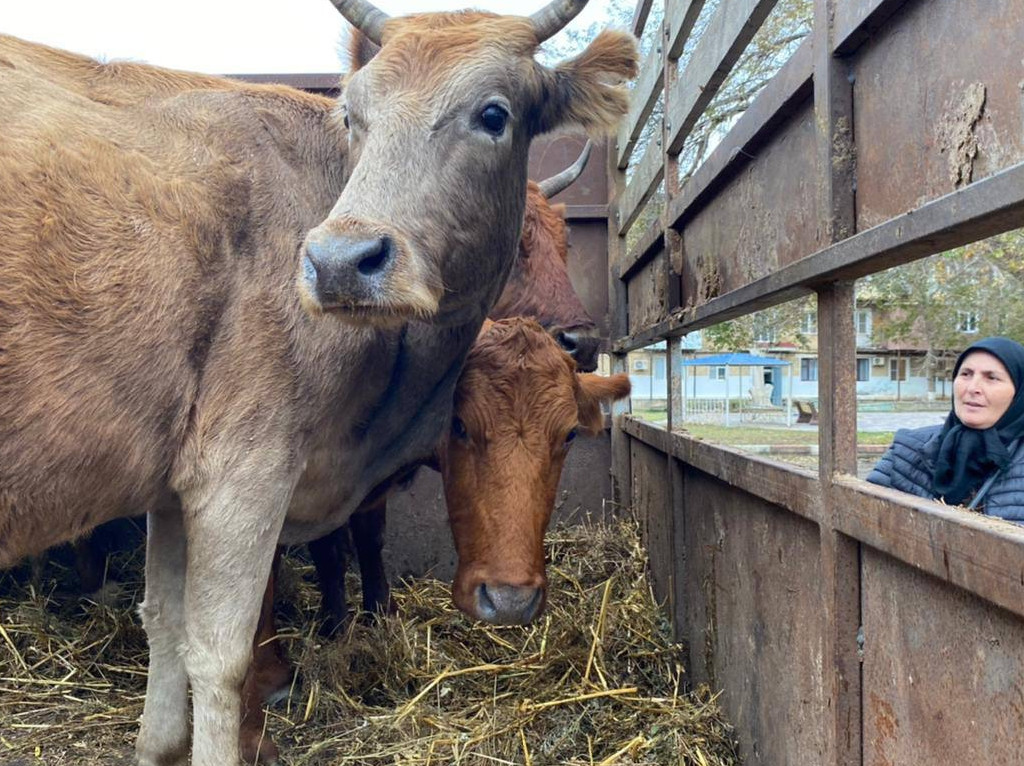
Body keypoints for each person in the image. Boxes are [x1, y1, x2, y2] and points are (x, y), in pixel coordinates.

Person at [867, 336, 1024, 522]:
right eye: (965, 374)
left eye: (992, 378)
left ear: (1018, 393)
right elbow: (863, 520)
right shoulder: (908, 450)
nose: (973, 388)